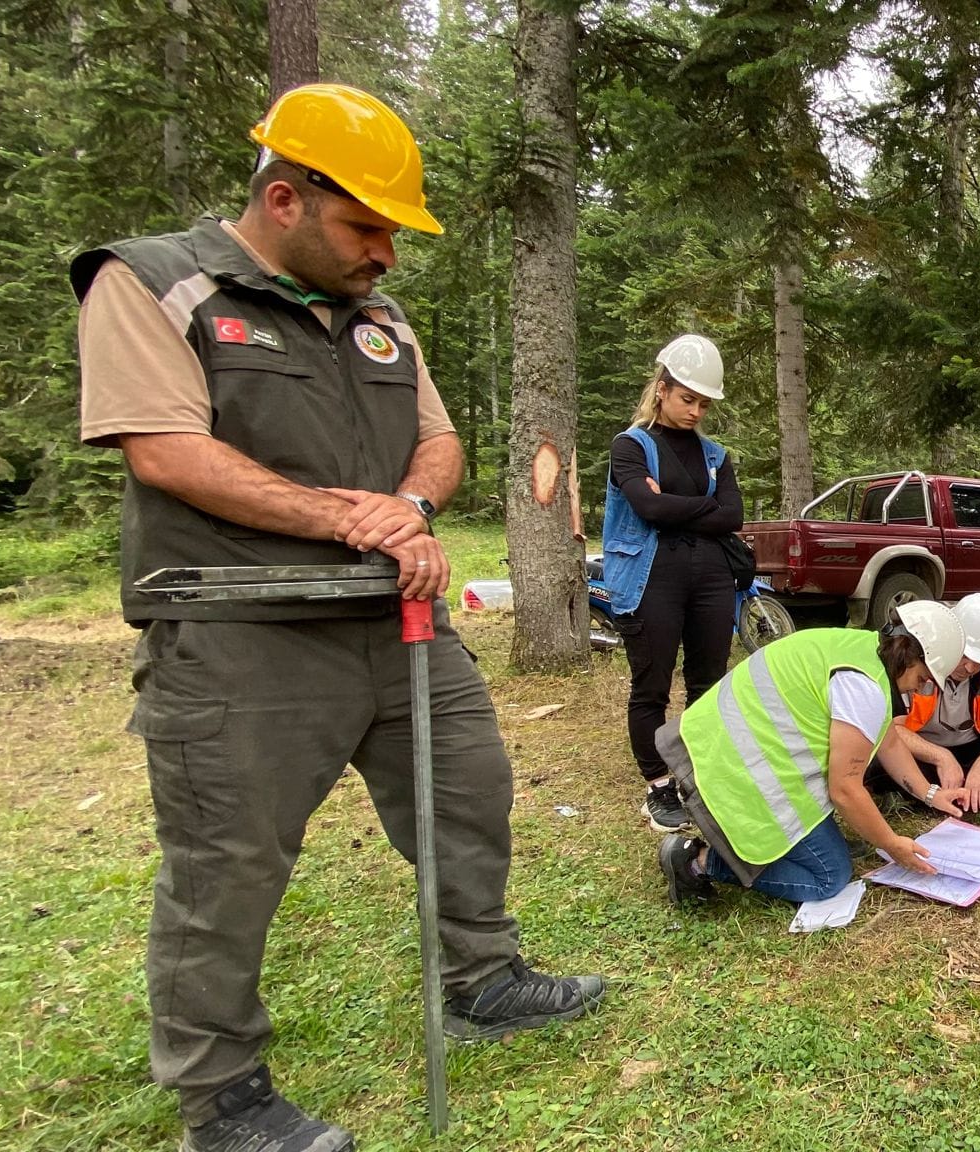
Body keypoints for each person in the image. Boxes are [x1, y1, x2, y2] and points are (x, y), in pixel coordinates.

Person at [70, 84, 604, 1152]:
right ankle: (219, 1095)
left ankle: (483, 979)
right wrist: (348, 520)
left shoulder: (379, 317)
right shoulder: (151, 283)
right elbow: (164, 449)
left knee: (470, 796)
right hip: (239, 634)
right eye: (367, 228)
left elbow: (439, 443)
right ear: (283, 198)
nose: (387, 256)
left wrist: (407, 510)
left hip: (395, 621)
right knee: (229, 862)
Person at [655, 602, 972, 905]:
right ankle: (696, 861)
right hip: (736, 772)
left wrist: (930, 794)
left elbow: (887, 741)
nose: (920, 689)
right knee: (830, 876)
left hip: (711, 746)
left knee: (835, 847)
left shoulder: (862, 651)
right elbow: (845, 790)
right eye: (922, 678)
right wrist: (891, 844)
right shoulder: (865, 688)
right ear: (910, 656)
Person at [602, 334, 744, 832]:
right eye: (688, 399)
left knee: (708, 683)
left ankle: (700, 774)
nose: (696, 411)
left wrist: (679, 510)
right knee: (652, 686)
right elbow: (649, 508)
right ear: (661, 389)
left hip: (711, 579)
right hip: (650, 579)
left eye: (705, 403)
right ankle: (658, 784)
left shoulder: (715, 454)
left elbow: (733, 516)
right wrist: (705, 509)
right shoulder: (631, 446)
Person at [876, 592, 980, 815]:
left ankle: (926, 798)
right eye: (965, 656)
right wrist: (940, 756)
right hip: (921, 751)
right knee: (879, 765)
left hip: (972, 748)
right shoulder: (918, 659)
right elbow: (893, 731)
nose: (970, 668)